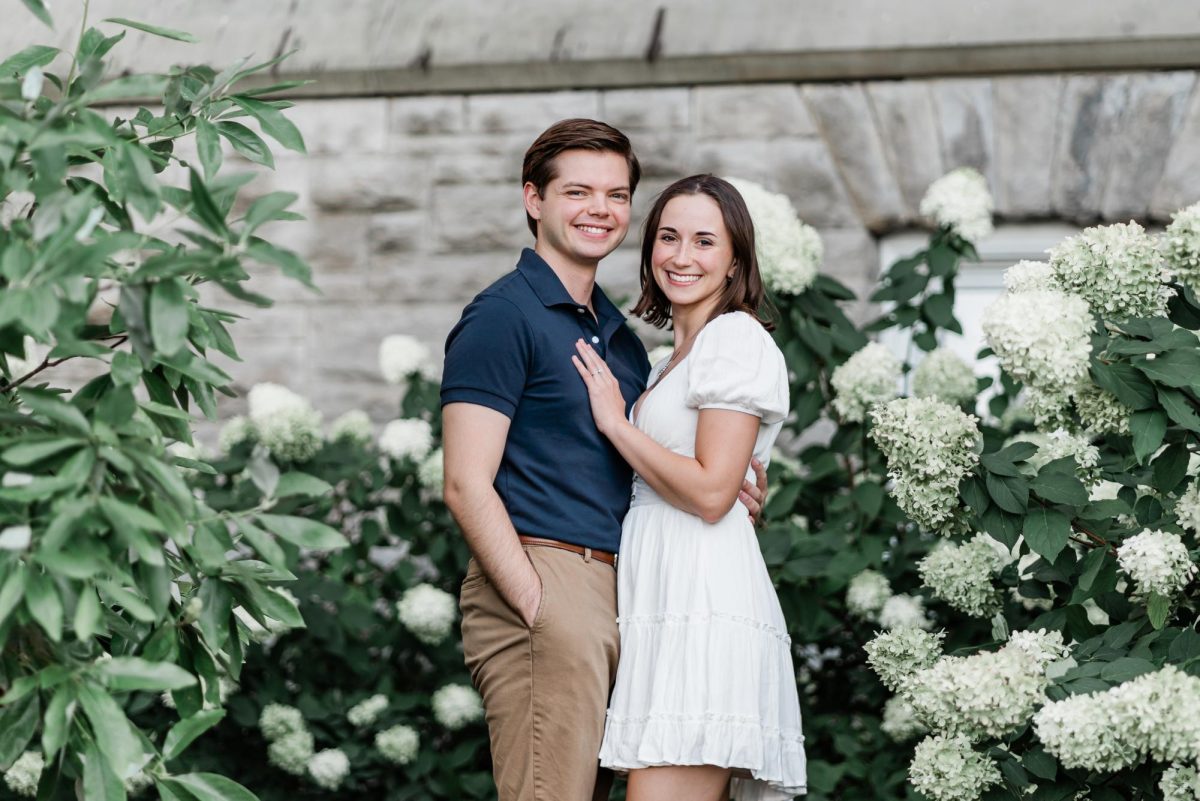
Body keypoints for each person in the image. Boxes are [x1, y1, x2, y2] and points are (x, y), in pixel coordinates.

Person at [440, 120, 768, 801]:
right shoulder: (503, 315)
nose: (600, 209)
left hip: (630, 592)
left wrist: (724, 487)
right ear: (534, 199)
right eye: (579, 191)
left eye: (617, 195)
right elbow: (466, 483)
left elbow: (647, 461)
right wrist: (538, 605)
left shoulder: (616, 339)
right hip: (551, 576)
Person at [573, 175, 807, 801]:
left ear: (736, 260)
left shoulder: (735, 338)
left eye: (706, 241)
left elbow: (709, 493)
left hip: (702, 602)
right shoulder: (666, 361)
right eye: (669, 237)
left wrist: (615, 424)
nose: (682, 256)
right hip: (666, 597)